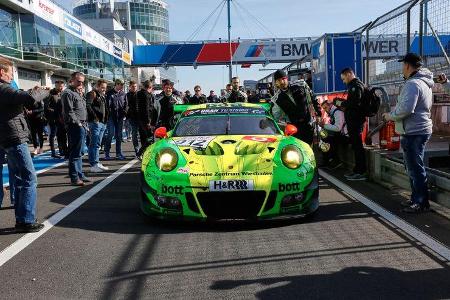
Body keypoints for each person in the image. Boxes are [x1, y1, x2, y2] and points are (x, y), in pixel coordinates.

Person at [0, 56, 49, 232]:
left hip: (9, 138)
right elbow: (29, 99)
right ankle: (26, 220)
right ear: (2, 72)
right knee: (29, 178)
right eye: (11, 73)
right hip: (14, 139)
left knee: (21, 179)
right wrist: (43, 91)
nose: (13, 77)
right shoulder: (4, 89)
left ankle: (23, 218)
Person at [382, 53, 434, 214]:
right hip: (420, 129)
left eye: (402, 65)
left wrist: (390, 115)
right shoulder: (425, 82)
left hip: (413, 131)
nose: (401, 69)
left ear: (407, 65)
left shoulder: (412, 84)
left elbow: (406, 109)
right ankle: (417, 199)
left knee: (415, 168)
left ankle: (420, 202)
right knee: (415, 166)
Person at [337, 67, 367, 181]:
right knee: (356, 146)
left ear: (349, 74)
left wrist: (340, 102)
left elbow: (354, 103)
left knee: (358, 147)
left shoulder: (356, 86)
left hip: (356, 121)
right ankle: (357, 170)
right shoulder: (353, 86)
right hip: (353, 121)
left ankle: (361, 172)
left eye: (344, 78)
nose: (343, 81)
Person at [271, 70, 316, 145]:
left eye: (283, 79)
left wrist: (318, 114)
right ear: (276, 83)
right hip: (295, 128)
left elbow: (312, 98)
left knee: (310, 147)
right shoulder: (276, 99)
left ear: (287, 78)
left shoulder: (301, 84)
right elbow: (276, 117)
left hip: (309, 123)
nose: (282, 82)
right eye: (278, 80)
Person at [61, 72, 90, 186]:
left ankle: (80, 174)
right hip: (75, 126)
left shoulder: (78, 92)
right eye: (78, 81)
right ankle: (74, 177)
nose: (81, 83)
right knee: (75, 152)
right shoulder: (68, 93)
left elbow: (82, 108)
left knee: (80, 152)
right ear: (72, 80)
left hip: (82, 124)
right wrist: (78, 123)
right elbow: (69, 111)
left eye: (82, 82)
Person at [86, 79, 109, 173]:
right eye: (102, 87)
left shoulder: (102, 95)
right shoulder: (92, 94)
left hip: (102, 122)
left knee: (97, 144)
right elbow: (88, 106)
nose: (104, 89)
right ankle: (93, 164)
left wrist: (105, 120)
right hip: (95, 122)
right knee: (93, 144)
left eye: (105, 88)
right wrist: (95, 118)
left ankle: (97, 162)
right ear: (97, 86)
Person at [319, 101, 348, 170]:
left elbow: (338, 128)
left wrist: (324, 126)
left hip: (345, 136)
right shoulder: (333, 113)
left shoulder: (337, 112)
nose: (325, 110)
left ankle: (335, 161)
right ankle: (327, 161)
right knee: (324, 138)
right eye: (324, 108)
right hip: (340, 135)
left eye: (326, 108)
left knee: (328, 140)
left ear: (330, 105)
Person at [104, 79, 128, 160]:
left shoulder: (123, 94)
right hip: (111, 117)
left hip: (120, 117)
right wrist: (108, 114)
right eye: (121, 84)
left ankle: (118, 153)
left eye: (122, 85)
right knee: (110, 134)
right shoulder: (109, 93)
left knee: (119, 135)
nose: (122, 86)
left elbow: (126, 104)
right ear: (116, 84)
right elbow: (107, 106)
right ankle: (106, 152)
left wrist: (124, 113)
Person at [44, 80, 65, 158]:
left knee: (61, 135)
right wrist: (55, 111)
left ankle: (61, 150)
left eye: (62, 86)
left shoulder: (62, 93)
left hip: (61, 118)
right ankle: (53, 152)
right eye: (59, 86)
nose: (61, 88)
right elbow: (46, 107)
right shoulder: (50, 93)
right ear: (55, 85)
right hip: (53, 118)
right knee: (53, 135)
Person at [137, 80, 155, 156]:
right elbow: (147, 108)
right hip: (146, 119)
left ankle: (144, 153)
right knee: (150, 138)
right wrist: (148, 121)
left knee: (143, 138)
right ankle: (141, 153)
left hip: (140, 118)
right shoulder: (147, 95)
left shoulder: (138, 94)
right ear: (150, 87)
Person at [126, 81, 140, 155]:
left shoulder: (140, 94)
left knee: (142, 134)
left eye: (135, 86)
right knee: (134, 134)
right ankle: (137, 150)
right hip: (132, 117)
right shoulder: (127, 95)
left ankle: (143, 149)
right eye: (132, 86)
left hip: (140, 117)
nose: (134, 88)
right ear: (130, 87)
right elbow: (125, 105)